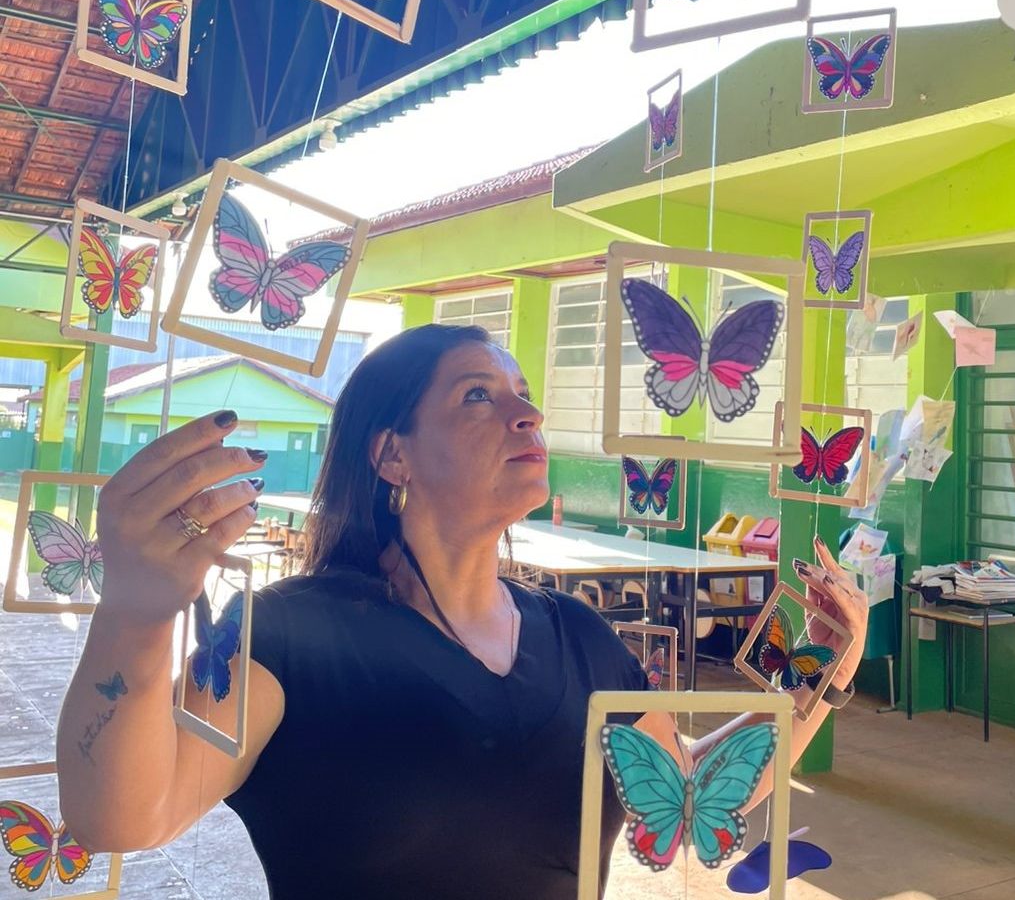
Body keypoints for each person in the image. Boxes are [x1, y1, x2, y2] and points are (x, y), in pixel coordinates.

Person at [56, 324, 867, 899]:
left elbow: (687, 793)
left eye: (524, 395)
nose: (528, 415)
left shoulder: (581, 637)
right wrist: (136, 614)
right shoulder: (291, 636)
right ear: (392, 453)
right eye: (478, 395)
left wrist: (820, 675)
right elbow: (123, 815)